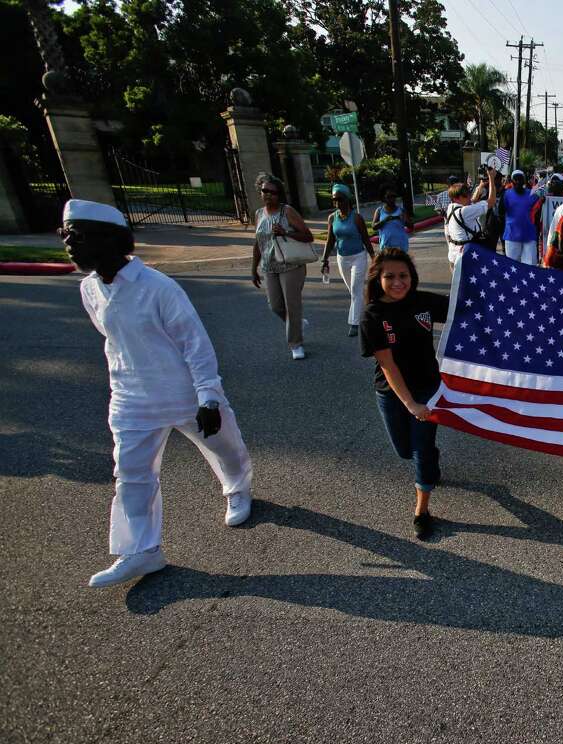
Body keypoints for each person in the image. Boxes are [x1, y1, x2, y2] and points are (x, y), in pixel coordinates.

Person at [63, 199, 254, 588]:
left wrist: (209, 398)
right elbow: (114, 341)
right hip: (131, 400)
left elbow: (195, 345)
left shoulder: (159, 288)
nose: (69, 244)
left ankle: (238, 489)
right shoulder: (90, 289)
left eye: (77, 236)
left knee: (225, 447)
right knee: (131, 475)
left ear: (111, 240)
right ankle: (142, 551)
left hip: (184, 394)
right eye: (64, 235)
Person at [359, 248, 450, 540]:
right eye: (390, 276)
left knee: (421, 451)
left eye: (404, 276)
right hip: (393, 393)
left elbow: (464, 306)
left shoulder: (423, 301)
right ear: (378, 279)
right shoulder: (372, 315)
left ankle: (421, 511)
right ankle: (428, 457)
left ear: (412, 277)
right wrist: (409, 403)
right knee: (404, 450)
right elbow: (387, 364)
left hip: (427, 387)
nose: (399, 282)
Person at [250, 172, 315, 361]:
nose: (268, 194)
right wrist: (253, 268)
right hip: (269, 267)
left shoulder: (287, 212)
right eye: (265, 191)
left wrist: (286, 232)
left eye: (273, 192)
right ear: (260, 192)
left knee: (292, 305)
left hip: (291, 265)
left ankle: (296, 343)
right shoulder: (258, 214)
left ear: (279, 194)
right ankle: (296, 323)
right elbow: (258, 243)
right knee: (275, 306)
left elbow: (308, 236)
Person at [321, 184, 375, 337]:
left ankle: (354, 323)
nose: (337, 202)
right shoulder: (332, 218)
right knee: (354, 291)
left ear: (347, 199)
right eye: (334, 199)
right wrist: (324, 259)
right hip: (342, 258)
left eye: (340, 199)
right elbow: (330, 240)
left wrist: (373, 256)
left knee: (355, 289)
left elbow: (365, 238)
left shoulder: (357, 218)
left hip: (358, 257)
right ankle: (368, 310)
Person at [445, 166, 498, 267]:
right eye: (466, 195)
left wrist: (481, 186)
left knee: (457, 283)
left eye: (469, 193)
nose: (469, 196)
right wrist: (491, 178)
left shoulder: (451, 207)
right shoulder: (465, 212)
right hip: (465, 257)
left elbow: (472, 201)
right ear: (457, 198)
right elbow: (491, 201)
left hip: (454, 256)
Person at [498, 169, 539, 264]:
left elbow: (540, 210)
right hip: (511, 236)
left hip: (530, 235)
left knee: (530, 266)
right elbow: (500, 213)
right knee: (512, 267)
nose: (518, 181)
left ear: (524, 181)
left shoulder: (533, 194)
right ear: (511, 181)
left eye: (520, 179)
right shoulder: (506, 194)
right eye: (515, 179)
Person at [372, 185, 412, 252]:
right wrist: (385, 220)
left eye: (394, 196)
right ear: (383, 198)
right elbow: (374, 226)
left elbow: (411, 226)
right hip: (386, 247)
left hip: (401, 247)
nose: (392, 199)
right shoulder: (379, 210)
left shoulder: (401, 210)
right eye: (389, 196)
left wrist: (404, 220)